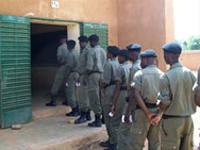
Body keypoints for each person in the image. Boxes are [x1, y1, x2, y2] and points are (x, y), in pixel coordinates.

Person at [157, 42, 196, 150]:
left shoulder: (166, 76)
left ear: (171, 55)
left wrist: (158, 105)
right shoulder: (191, 74)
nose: (164, 57)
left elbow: (164, 102)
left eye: (165, 54)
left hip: (172, 121)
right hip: (188, 120)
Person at [125, 50, 163, 150]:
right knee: (155, 144)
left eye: (142, 60)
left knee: (136, 144)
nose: (140, 63)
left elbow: (135, 94)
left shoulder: (139, 74)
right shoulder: (163, 75)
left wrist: (147, 113)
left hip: (142, 112)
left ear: (146, 60)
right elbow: (166, 98)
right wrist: (159, 114)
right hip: (157, 113)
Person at [104, 49, 131, 150]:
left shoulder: (120, 68)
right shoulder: (131, 67)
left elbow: (117, 87)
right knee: (123, 119)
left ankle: (113, 144)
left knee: (114, 121)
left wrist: (113, 104)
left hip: (121, 94)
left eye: (120, 57)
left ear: (123, 57)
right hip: (129, 94)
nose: (118, 58)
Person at [117, 44, 141, 150]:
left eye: (129, 53)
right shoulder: (141, 66)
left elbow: (133, 91)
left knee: (123, 131)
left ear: (133, 53)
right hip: (139, 104)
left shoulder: (135, 68)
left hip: (132, 104)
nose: (128, 55)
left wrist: (128, 111)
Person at [84, 34, 107, 127]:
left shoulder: (91, 51)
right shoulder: (103, 51)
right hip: (102, 74)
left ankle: (97, 119)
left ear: (93, 42)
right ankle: (104, 117)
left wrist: (85, 76)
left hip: (93, 74)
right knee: (102, 96)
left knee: (94, 96)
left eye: (90, 42)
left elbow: (89, 66)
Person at [100, 46, 120, 148]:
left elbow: (106, 80)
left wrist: (101, 86)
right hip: (118, 91)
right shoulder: (120, 63)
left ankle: (112, 142)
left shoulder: (109, 64)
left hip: (110, 89)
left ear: (110, 54)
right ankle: (114, 139)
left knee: (108, 116)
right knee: (116, 116)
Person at [46, 35, 68, 106]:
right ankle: (68, 100)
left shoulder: (60, 47)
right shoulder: (69, 47)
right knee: (67, 83)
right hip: (69, 68)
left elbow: (58, 57)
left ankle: (53, 101)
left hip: (63, 67)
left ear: (62, 39)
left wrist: (58, 63)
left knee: (56, 83)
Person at [75, 36, 91, 124]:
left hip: (85, 76)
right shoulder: (83, 52)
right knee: (84, 95)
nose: (81, 44)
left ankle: (83, 115)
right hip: (82, 75)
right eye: (80, 42)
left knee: (84, 96)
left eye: (82, 42)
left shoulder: (87, 52)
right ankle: (87, 114)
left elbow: (88, 66)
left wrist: (85, 77)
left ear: (86, 43)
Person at [65, 40, 80, 117]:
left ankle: (74, 110)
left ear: (69, 46)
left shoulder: (70, 54)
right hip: (77, 73)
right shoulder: (77, 53)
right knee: (75, 92)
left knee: (70, 92)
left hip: (72, 73)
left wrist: (66, 77)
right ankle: (78, 108)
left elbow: (69, 67)